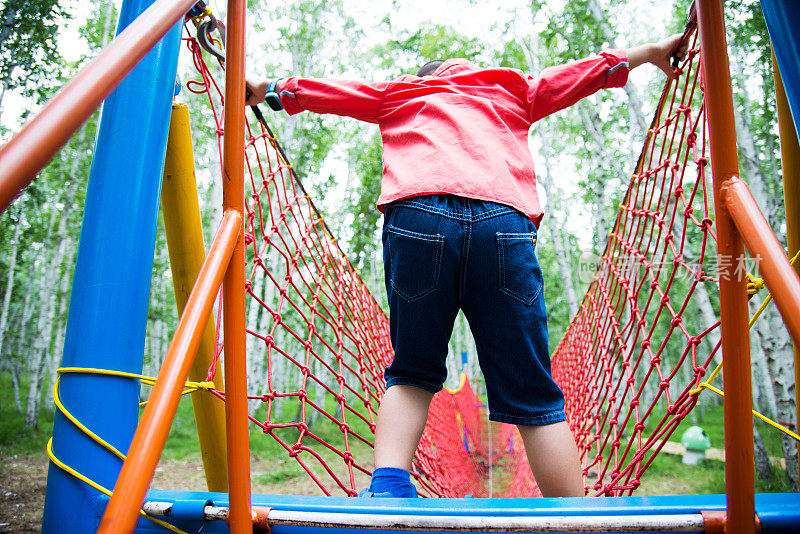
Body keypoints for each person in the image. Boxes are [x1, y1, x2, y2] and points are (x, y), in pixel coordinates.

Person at [246, 33, 687, 498]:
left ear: (428, 76)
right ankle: (575, 515)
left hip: (418, 215)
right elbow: (586, 72)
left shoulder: (402, 91)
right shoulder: (511, 87)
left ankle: (390, 487)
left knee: (412, 370)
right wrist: (648, 53)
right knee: (534, 391)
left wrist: (272, 87)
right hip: (504, 224)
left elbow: (336, 92)